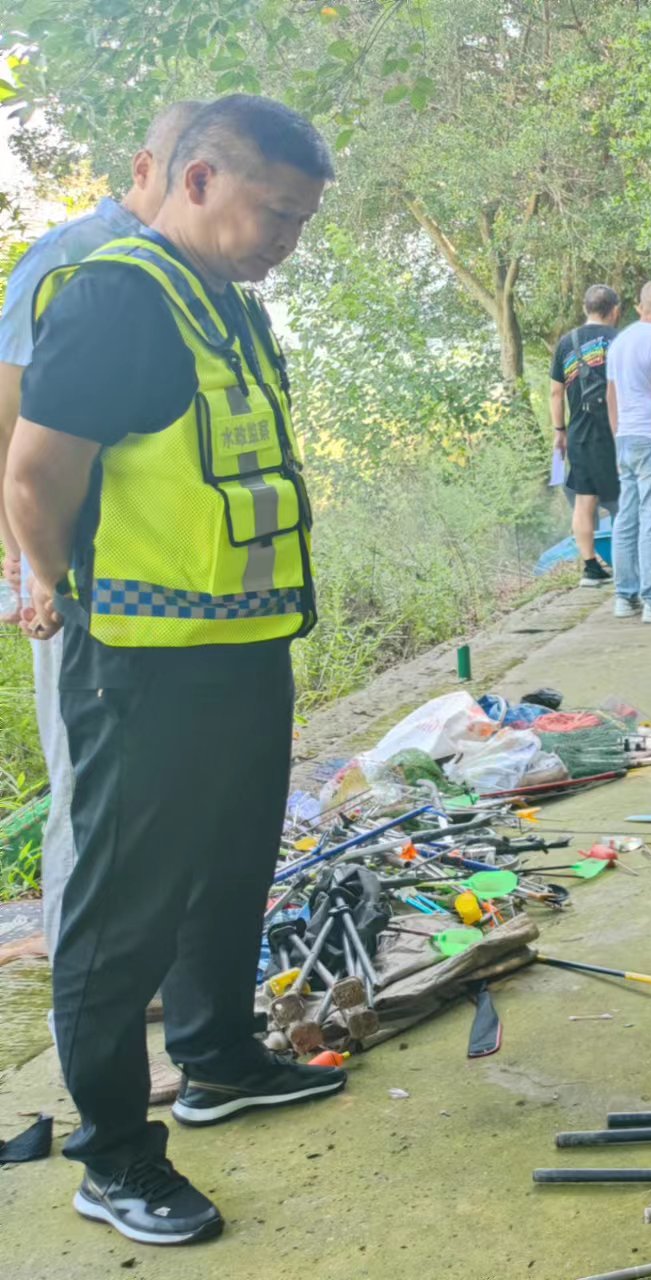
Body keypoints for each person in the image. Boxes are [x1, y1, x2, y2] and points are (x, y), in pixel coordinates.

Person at [6, 94, 344, 1247]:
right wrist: (57, 591)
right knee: (121, 909)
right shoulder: (114, 297)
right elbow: (36, 475)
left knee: (232, 860)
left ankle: (217, 1058)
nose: (287, 237)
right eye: (275, 211)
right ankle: (113, 1152)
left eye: (302, 219)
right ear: (197, 179)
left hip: (241, 645)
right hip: (140, 663)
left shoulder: (230, 308)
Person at [0, 99, 203, 970]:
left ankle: (151, 959)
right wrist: (35, 573)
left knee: (163, 776)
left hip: (172, 579)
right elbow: (16, 428)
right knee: (92, 772)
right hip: (82, 573)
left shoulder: (193, 273)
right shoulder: (71, 261)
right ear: (150, 167)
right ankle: (93, 973)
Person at [606, 280, 651, 622]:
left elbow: (611, 394)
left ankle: (625, 598)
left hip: (624, 438)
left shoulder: (620, 341)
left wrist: (617, 433)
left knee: (625, 518)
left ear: (640, 307)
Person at [552, 285, 622, 587]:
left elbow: (556, 392)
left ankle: (590, 567)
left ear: (585, 308)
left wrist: (559, 431)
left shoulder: (567, 342)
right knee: (622, 502)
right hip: (615, 432)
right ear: (615, 310)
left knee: (585, 500)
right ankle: (627, 566)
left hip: (580, 432)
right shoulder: (620, 341)